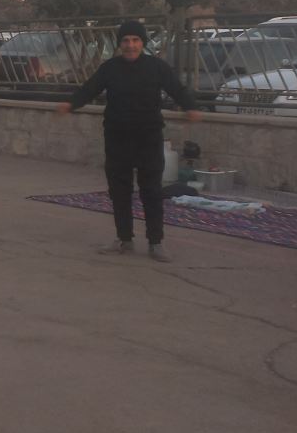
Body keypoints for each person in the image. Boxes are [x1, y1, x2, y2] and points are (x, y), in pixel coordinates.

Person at [59, 18, 201, 262]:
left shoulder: (157, 67)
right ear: (120, 44)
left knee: (151, 191)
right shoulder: (109, 68)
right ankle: (124, 239)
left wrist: (191, 107)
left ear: (142, 43)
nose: (130, 45)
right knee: (119, 191)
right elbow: (89, 89)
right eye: (126, 40)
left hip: (148, 138)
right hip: (117, 138)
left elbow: (177, 89)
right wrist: (70, 104)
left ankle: (156, 242)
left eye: (135, 40)